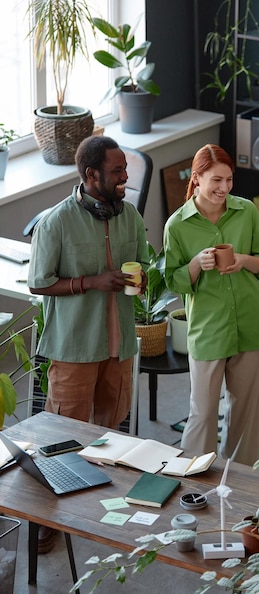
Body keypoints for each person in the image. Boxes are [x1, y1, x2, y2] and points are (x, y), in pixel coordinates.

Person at [163, 143, 259, 466]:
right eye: (216, 180)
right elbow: (173, 280)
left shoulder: (247, 211)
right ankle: (191, 476)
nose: (224, 188)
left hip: (250, 323)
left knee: (246, 413)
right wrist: (197, 264)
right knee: (202, 412)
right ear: (197, 179)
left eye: (229, 180)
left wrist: (244, 260)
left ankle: (239, 484)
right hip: (209, 327)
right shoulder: (178, 225)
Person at [28, 135, 149, 430]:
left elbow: (143, 264)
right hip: (75, 348)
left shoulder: (130, 216)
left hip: (119, 349)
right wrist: (91, 282)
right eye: (117, 170)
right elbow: (38, 284)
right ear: (92, 174)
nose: (125, 176)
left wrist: (142, 279)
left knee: (113, 435)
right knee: (64, 434)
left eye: (125, 169)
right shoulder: (56, 222)